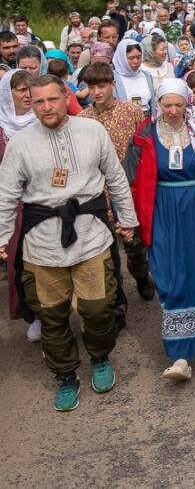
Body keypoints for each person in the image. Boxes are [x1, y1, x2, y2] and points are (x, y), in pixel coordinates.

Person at [0, 74, 139, 412]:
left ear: (66, 98)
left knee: (97, 308)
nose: (46, 107)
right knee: (52, 316)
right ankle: (65, 375)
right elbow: (6, 194)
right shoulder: (21, 144)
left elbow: (116, 177)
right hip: (42, 244)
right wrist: (2, 237)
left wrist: (128, 219)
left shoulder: (91, 131)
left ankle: (99, 356)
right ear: (30, 104)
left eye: (53, 99)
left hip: (91, 235)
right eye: (38, 102)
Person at [123, 79, 195, 381]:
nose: (173, 110)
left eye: (179, 104)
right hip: (161, 207)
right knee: (168, 273)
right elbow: (129, 178)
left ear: (187, 104)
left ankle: (183, 354)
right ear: (158, 105)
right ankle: (183, 345)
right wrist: (127, 217)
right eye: (167, 105)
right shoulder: (144, 134)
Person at [78, 62, 154, 310]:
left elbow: (145, 147)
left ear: (113, 84)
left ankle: (141, 276)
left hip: (128, 191)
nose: (97, 92)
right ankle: (117, 301)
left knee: (134, 247)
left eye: (102, 85)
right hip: (97, 195)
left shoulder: (131, 111)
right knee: (106, 253)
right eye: (91, 87)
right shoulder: (82, 118)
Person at [0, 70, 40, 340]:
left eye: (30, 88)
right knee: (19, 262)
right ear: (7, 93)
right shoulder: (2, 129)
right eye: (19, 89)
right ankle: (32, 315)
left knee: (47, 260)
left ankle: (53, 312)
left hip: (44, 200)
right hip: (13, 206)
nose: (26, 94)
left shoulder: (44, 120)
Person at [112, 39, 157, 116]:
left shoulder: (146, 76)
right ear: (122, 58)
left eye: (139, 57)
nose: (136, 61)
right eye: (131, 58)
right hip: (124, 120)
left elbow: (152, 103)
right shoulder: (113, 77)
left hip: (146, 121)